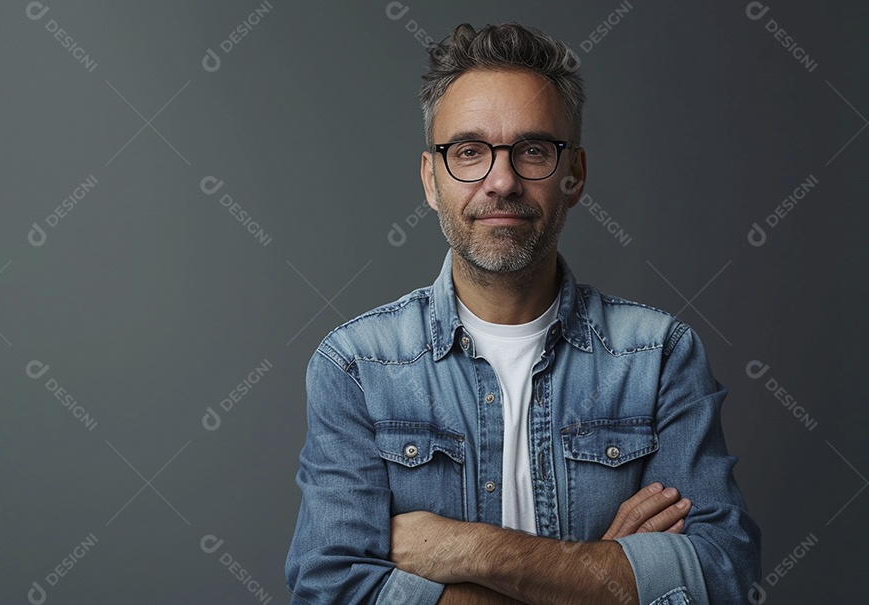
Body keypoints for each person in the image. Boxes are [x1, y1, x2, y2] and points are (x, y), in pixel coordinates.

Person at [285, 22, 760, 605]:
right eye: (468, 152)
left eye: (533, 150)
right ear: (431, 180)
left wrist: (469, 549)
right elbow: (330, 591)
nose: (501, 181)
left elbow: (722, 576)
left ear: (575, 175)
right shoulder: (356, 367)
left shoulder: (658, 355)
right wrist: (598, 579)